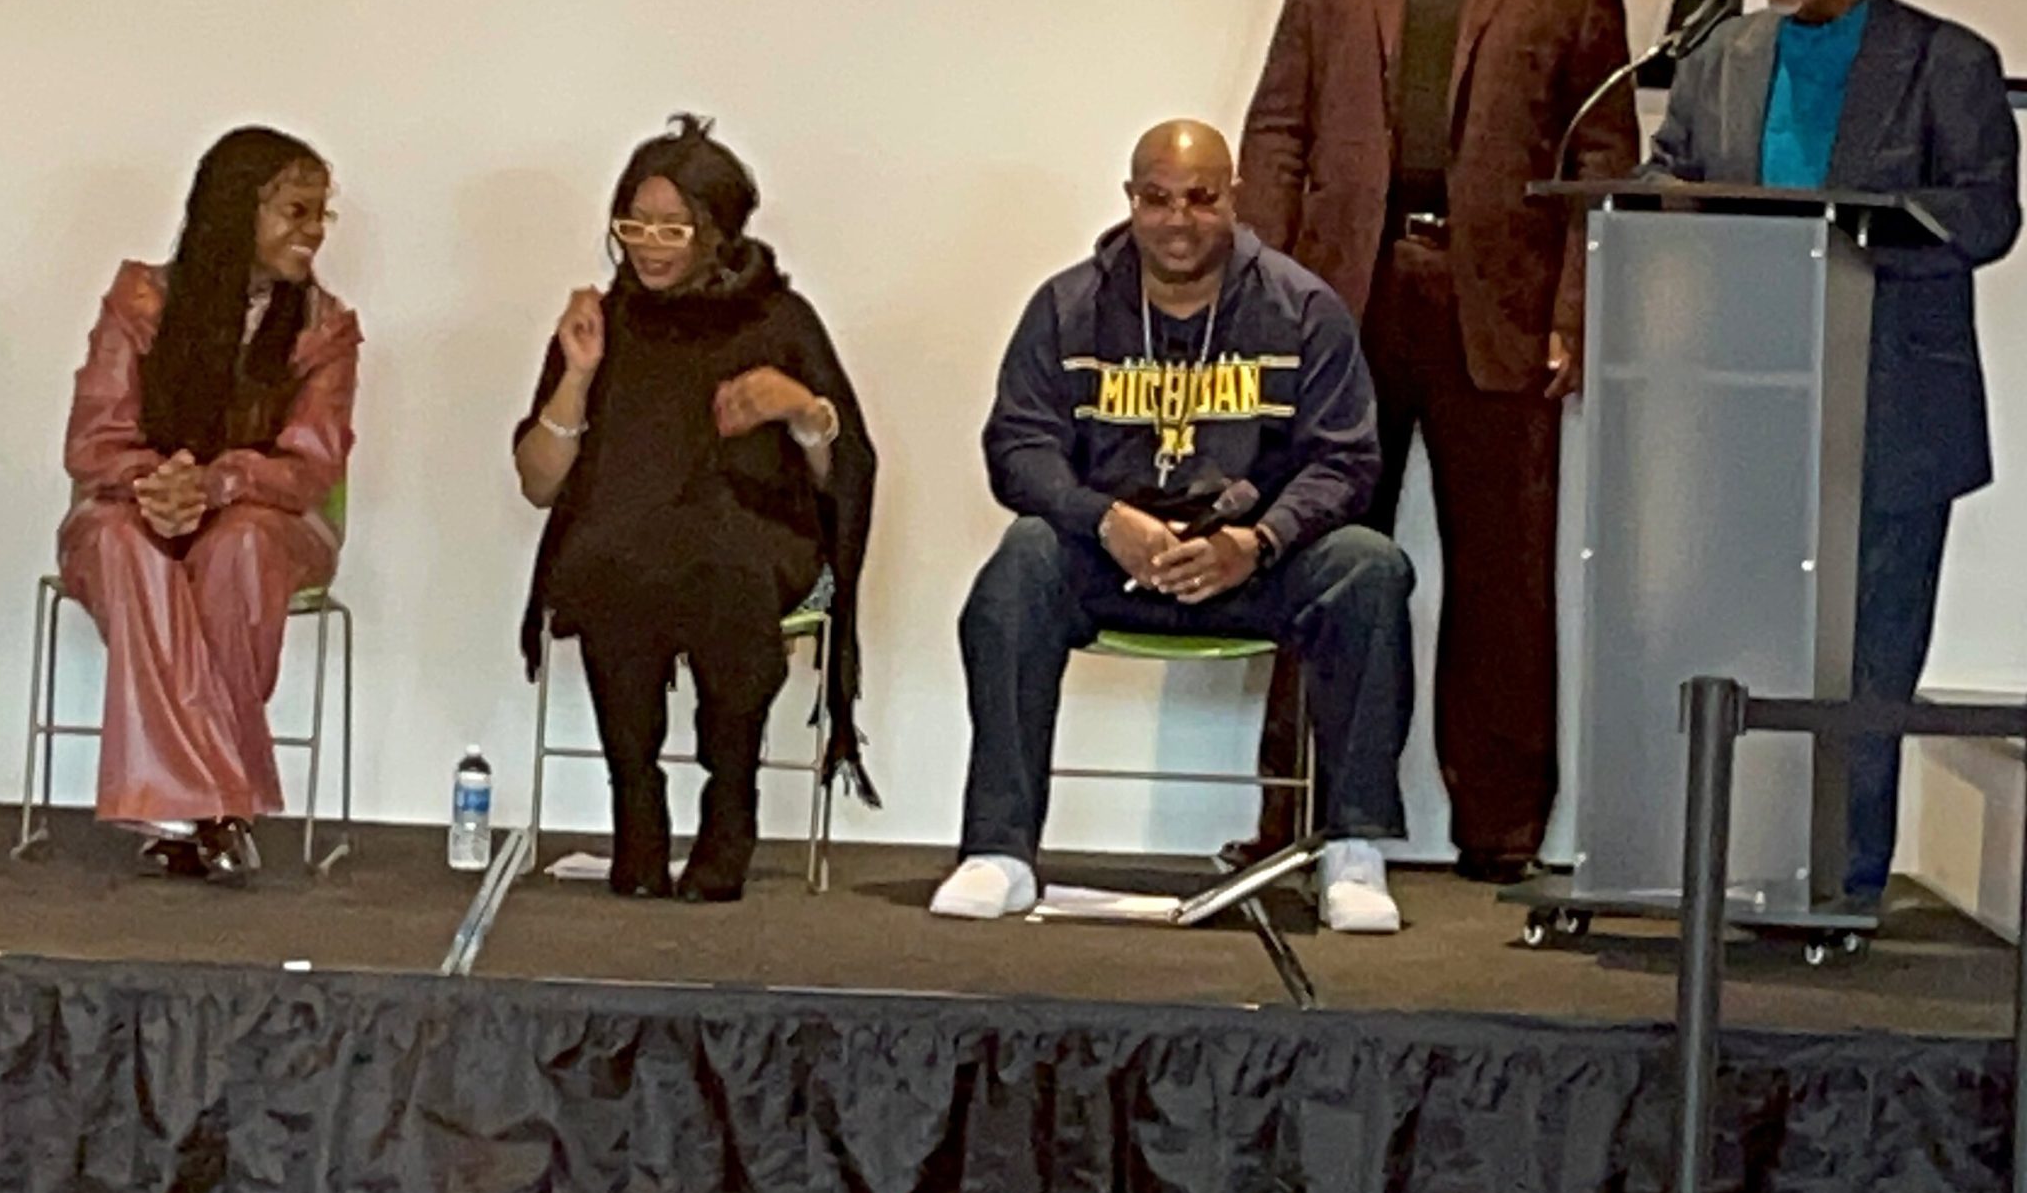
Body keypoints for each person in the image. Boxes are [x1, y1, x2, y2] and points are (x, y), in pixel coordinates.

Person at [1233, 0, 1639, 882]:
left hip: (1497, 302)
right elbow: (1277, 131)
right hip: (1341, 299)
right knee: (1318, 553)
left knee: (1504, 575)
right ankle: (1306, 808)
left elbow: (1602, 160)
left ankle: (1501, 824)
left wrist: (1576, 310)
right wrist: (1262, 292)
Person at [933, 121, 1418, 933]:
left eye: (1201, 197)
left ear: (1234, 198)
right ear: (1130, 200)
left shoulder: (1303, 309)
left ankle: (1353, 848)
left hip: (1248, 564)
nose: (1179, 220)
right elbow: (1017, 449)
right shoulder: (1067, 307)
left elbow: (1346, 460)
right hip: (1112, 559)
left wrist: (1258, 541)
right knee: (1020, 564)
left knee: (1369, 567)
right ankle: (999, 851)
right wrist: (1103, 520)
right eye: (1157, 199)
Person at [1651, 0, 2019, 904]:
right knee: (1737, 639)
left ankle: (1841, 879)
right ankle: (1729, 862)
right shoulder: (1724, 53)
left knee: (1868, 652)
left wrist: (1861, 234)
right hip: (1745, 396)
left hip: (1890, 400)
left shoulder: (1947, 61)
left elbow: (1988, 214)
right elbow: (1673, 166)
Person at [514, 115, 877, 902]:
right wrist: (577, 375)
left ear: (718, 229)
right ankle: (635, 811)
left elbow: (841, 474)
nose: (649, 245)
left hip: (751, 538)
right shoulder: (601, 321)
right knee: (610, 562)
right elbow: (539, 484)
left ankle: (730, 808)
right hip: (632, 538)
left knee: (721, 568)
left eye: (672, 227)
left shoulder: (779, 319)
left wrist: (801, 409)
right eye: (633, 224)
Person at [58, 126, 358, 886]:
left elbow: (310, 468)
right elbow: (93, 443)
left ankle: (176, 807)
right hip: (130, 506)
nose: (315, 231)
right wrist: (156, 485)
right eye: (296, 211)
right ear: (235, 210)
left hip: (270, 521)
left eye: (321, 213)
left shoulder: (325, 328)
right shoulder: (140, 301)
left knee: (240, 546)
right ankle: (220, 808)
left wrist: (218, 485)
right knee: (125, 541)